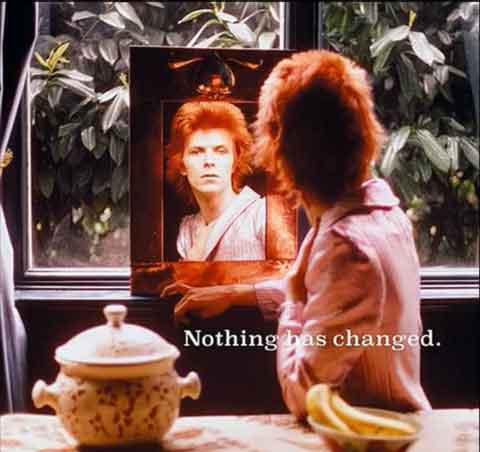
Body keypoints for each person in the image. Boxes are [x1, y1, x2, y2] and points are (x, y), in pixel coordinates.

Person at [162, 49, 431, 418]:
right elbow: (333, 290)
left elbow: (300, 392)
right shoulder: (386, 216)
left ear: (279, 150)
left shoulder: (345, 244)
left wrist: (292, 296)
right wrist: (237, 293)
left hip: (367, 437)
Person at [166, 101, 266, 261]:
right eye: (196, 152)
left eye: (221, 151)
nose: (209, 161)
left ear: (235, 161)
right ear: (182, 165)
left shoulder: (261, 214)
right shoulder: (187, 229)